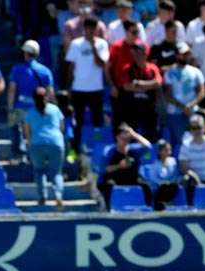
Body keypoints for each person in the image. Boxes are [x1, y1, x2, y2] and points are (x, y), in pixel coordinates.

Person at [65, 16, 109, 150]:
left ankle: (96, 148)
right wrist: (69, 86)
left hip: (96, 89)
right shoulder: (76, 43)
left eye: (92, 28)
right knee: (78, 121)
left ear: (96, 29)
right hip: (79, 88)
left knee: (97, 121)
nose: (90, 31)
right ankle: (75, 150)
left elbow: (101, 63)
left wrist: (93, 46)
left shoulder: (102, 44)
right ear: (84, 28)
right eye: (87, 28)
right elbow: (71, 66)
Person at [7, 40, 54, 158]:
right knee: (36, 134)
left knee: (19, 132)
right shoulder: (45, 71)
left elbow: (12, 90)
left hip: (21, 107)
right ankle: (36, 157)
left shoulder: (17, 69)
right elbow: (50, 93)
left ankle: (19, 156)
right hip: (38, 109)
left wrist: (10, 109)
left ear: (25, 53)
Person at [24, 87, 65, 209]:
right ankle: (58, 195)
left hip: (37, 143)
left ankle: (42, 196)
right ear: (46, 97)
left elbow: (27, 131)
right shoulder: (55, 109)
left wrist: (30, 142)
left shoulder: (30, 112)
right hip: (56, 142)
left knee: (39, 170)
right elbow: (62, 127)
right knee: (56, 172)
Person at [107, 20, 149, 130]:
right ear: (126, 32)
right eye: (133, 32)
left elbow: (147, 66)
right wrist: (112, 86)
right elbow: (108, 67)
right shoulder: (117, 47)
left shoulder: (143, 46)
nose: (136, 35)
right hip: (120, 90)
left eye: (138, 32)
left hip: (137, 90)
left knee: (136, 122)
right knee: (119, 121)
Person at [99, 123, 153, 207]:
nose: (125, 141)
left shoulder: (134, 150)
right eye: (123, 139)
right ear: (117, 138)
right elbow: (103, 170)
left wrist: (133, 133)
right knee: (109, 186)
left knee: (146, 186)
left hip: (131, 178)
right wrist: (119, 166)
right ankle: (109, 209)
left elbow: (148, 146)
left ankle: (148, 208)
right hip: (115, 179)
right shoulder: (109, 151)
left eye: (127, 139)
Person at [163, 42, 205, 151]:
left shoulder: (196, 72)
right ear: (177, 55)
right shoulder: (169, 73)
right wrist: (181, 107)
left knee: (196, 139)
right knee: (178, 142)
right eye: (183, 54)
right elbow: (167, 94)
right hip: (174, 113)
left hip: (193, 112)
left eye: (188, 53)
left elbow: (201, 92)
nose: (187, 56)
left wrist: (190, 105)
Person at [120, 44, 161, 140]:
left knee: (150, 135)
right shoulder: (128, 68)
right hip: (132, 108)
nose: (136, 56)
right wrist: (148, 86)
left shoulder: (152, 68)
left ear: (145, 54)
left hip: (149, 107)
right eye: (134, 54)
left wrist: (138, 83)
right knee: (130, 134)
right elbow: (126, 86)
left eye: (139, 53)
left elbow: (158, 83)